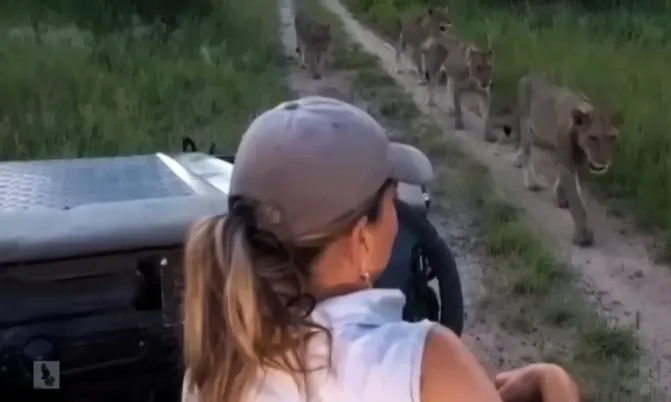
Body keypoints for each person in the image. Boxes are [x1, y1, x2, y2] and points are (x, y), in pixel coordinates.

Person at [181, 96, 580, 402]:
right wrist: (556, 385)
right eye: (392, 200)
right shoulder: (425, 359)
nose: (400, 213)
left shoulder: (214, 369)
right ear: (362, 238)